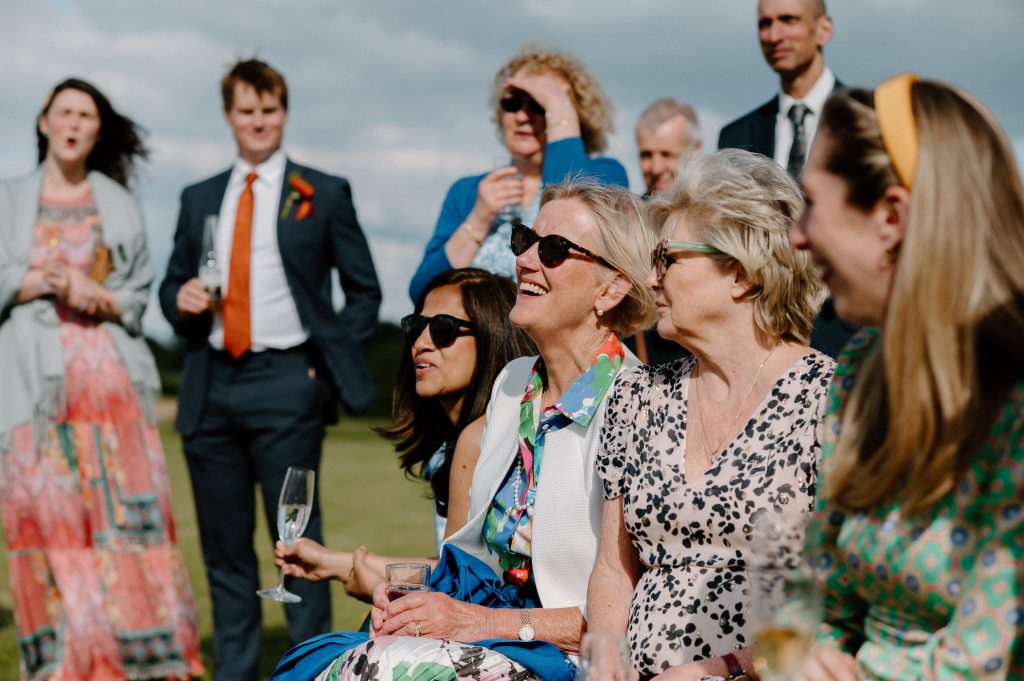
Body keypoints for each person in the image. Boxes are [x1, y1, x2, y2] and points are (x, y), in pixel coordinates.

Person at [271, 181, 657, 681]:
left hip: (569, 657)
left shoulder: (637, 405)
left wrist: (479, 622)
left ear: (612, 287)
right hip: (482, 635)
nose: (525, 260)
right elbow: (471, 560)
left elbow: (637, 615)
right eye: (525, 240)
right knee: (314, 662)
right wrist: (417, 600)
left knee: (380, 669)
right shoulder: (513, 385)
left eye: (555, 249)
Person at [790, 75, 1024, 681]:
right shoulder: (863, 366)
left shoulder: (1013, 406)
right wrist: (808, 653)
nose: (798, 234)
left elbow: (988, 658)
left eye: (813, 202)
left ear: (890, 216)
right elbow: (820, 587)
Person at [158, 58, 381, 681]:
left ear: (284, 112)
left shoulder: (323, 191)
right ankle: (235, 670)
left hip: (288, 383)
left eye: (269, 109)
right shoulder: (198, 197)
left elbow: (364, 292)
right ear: (229, 115)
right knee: (226, 554)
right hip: (210, 386)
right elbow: (172, 284)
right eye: (246, 110)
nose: (258, 121)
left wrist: (322, 366)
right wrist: (178, 297)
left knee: (296, 549)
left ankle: (308, 671)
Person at [586, 149, 834, 681]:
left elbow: (834, 599)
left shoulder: (828, 404)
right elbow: (613, 568)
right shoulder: (637, 396)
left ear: (740, 274)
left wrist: (720, 669)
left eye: (667, 259)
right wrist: (608, 661)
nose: (651, 280)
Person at [0, 78, 203, 679]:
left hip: (111, 389)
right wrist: (41, 280)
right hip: (33, 394)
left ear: (97, 129)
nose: (72, 123)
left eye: (85, 115)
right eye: (63, 112)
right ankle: (67, 662)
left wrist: (91, 293)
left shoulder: (118, 201)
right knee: (48, 527)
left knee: (128, 531)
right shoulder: (10, 197)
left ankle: (145, 660)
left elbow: (135, 299)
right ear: (43, 122)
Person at [274, 268, 536, 599]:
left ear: (493, 337)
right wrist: (338, 563)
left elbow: (457, 587)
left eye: (443, 329)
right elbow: (454, 568)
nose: (421, 342)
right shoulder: (475, 436)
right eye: (416, 326)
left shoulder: (487, 441)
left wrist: (373, 586)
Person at [407, 44, 629, 302]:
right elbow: (422, 292)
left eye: (538, 104)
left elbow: (572, 202)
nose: (523, 116)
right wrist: (478, 220)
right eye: (512, 103)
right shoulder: (468, 191)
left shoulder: (605, 173)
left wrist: (559, 107)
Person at [719, 0, 855, 359]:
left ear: (823, 28)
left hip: (848, 326)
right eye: (765, 24)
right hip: (762, 335)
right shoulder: (735, 136)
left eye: (788, 20)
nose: (774, 34)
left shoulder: (864, 120)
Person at [636, 97, 702, 198]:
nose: (656, 169)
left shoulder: (721, 211)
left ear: (695, 151)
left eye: (666, 154)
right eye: (647, 155)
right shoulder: (629, 212)